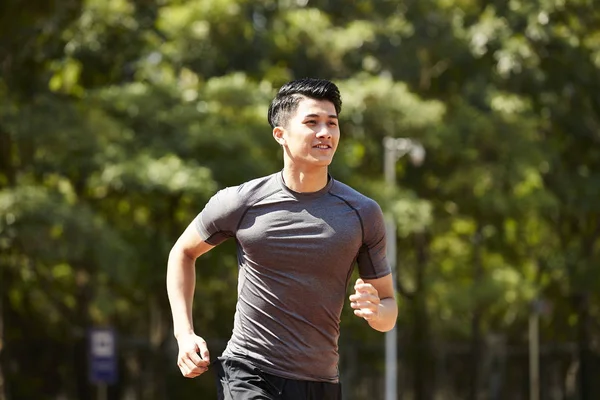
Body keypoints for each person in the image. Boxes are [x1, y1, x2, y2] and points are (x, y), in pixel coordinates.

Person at [166, 78, 397, 399]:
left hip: (320, 382)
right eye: (312, 122)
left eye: (332, 123)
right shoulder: (240, 202)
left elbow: (388, 310)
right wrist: (184, 334)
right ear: (281, 134)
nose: (325, 132)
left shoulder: (362, 213)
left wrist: (376, 311)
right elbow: (182, 252)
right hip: (249, 370)